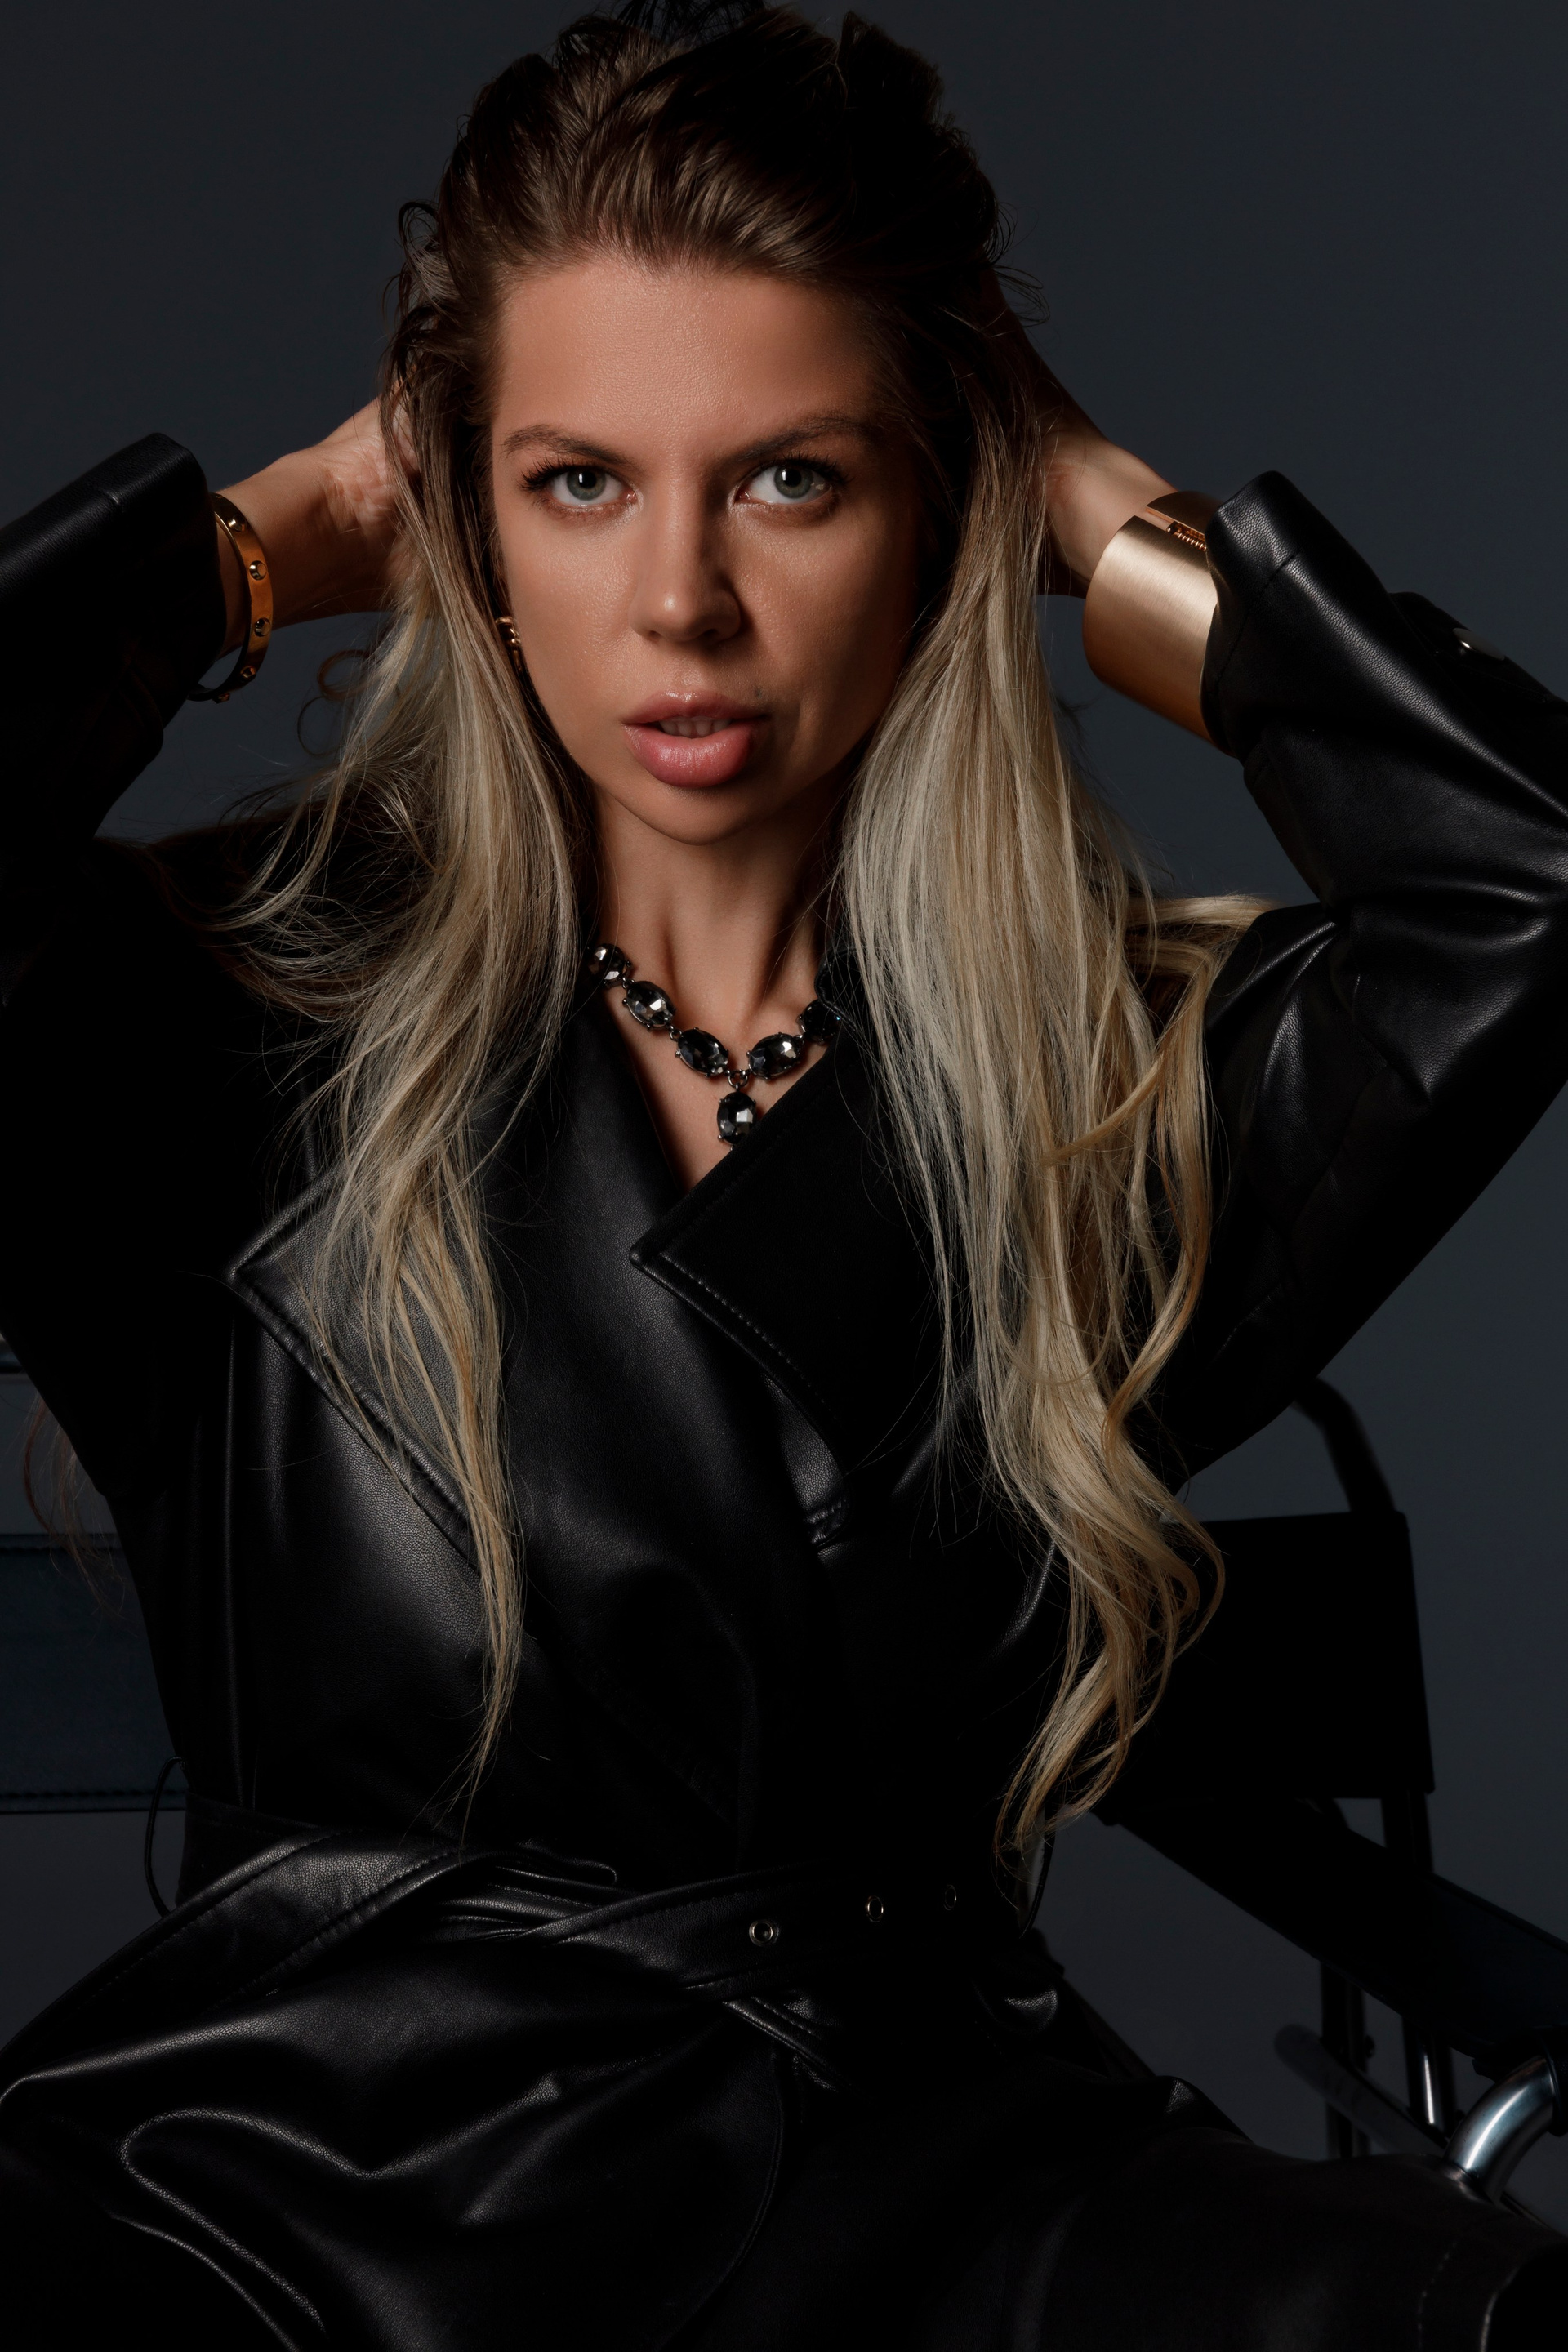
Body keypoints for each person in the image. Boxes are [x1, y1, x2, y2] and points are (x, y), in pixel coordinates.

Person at [0, 3, 1565, 2344]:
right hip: (294, 2184)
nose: (681, 604)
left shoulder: (1101, 1085)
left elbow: (1524, 886)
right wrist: (239, 557)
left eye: (792, 481)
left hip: (928, 2159)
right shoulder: (225, 1014)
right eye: (577, 482)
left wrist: (1105, 519)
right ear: (459, 515)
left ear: (935, 503)